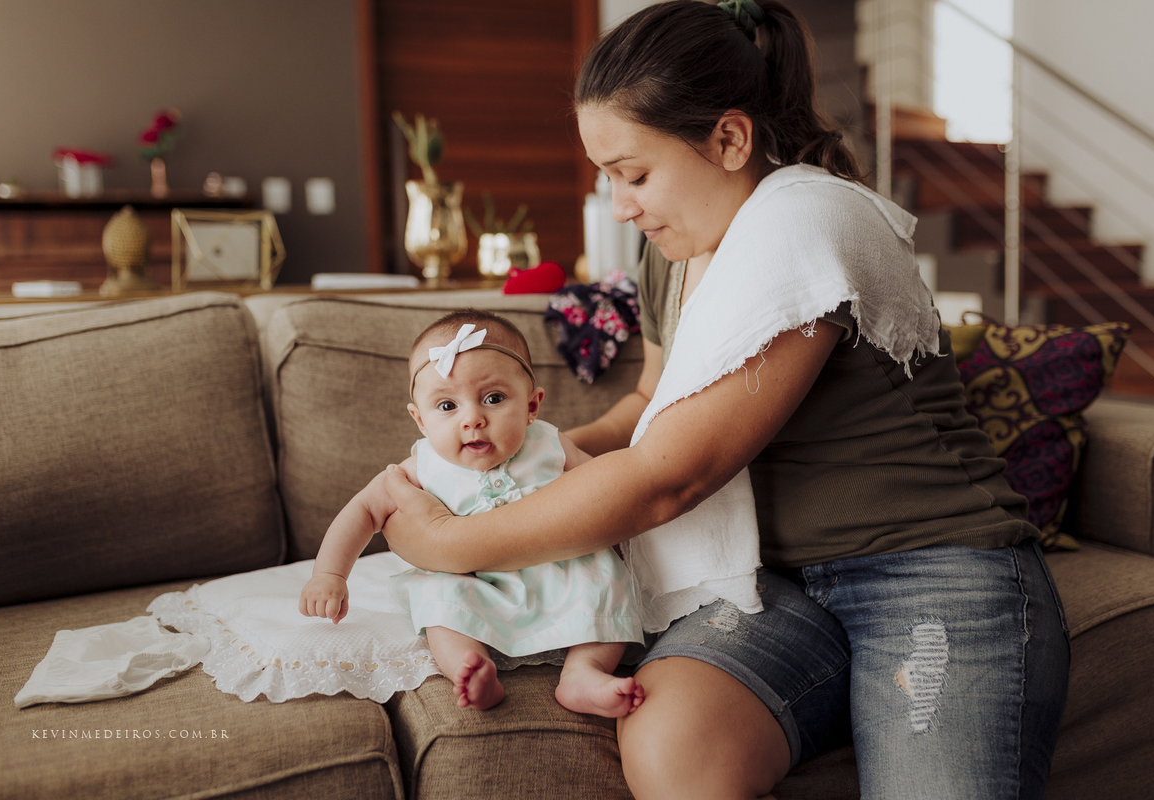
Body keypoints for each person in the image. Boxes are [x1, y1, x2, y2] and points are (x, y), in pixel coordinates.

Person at [380, 1, 1070, 798]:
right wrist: (534, 458)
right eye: (608, 178)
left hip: (929, 571)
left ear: (730, 140)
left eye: (634, 174)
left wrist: (448, 542)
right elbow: (649, 402)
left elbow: (671, 474)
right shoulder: (674, 254)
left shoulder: (805, 223)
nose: (621, 206)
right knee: (673, 747)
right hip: (769, 585)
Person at [300, 309, 645, 716]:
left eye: (494, 399)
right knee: (440, 600)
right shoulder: (418, 468)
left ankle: (583, 672)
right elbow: (362, 511)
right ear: (420, 420)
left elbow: (606, 488)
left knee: (604, 578)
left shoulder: (550, 443)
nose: (472, 419)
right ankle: (470, 666)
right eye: (447, 405)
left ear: (532, 405)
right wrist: (330, 574)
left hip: (560, 569)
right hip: (472, 581)